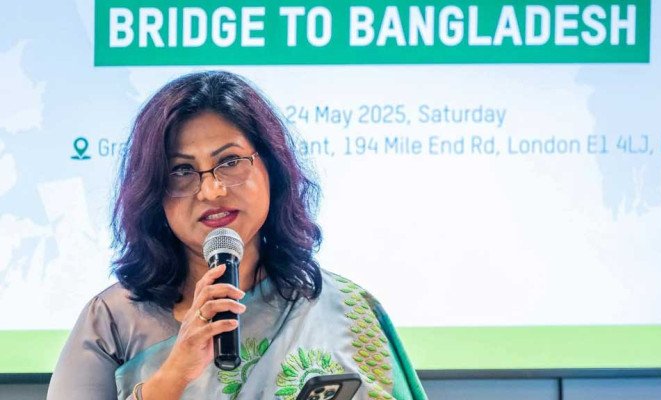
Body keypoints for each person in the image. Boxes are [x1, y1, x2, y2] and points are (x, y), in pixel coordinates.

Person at [47, 71, 427, 400]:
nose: (211, 191)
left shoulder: (345, 310)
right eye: (182, 171)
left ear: (271, 167)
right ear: (154, 192)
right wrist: (173, 376)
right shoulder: (112, 322)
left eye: (229, 162)